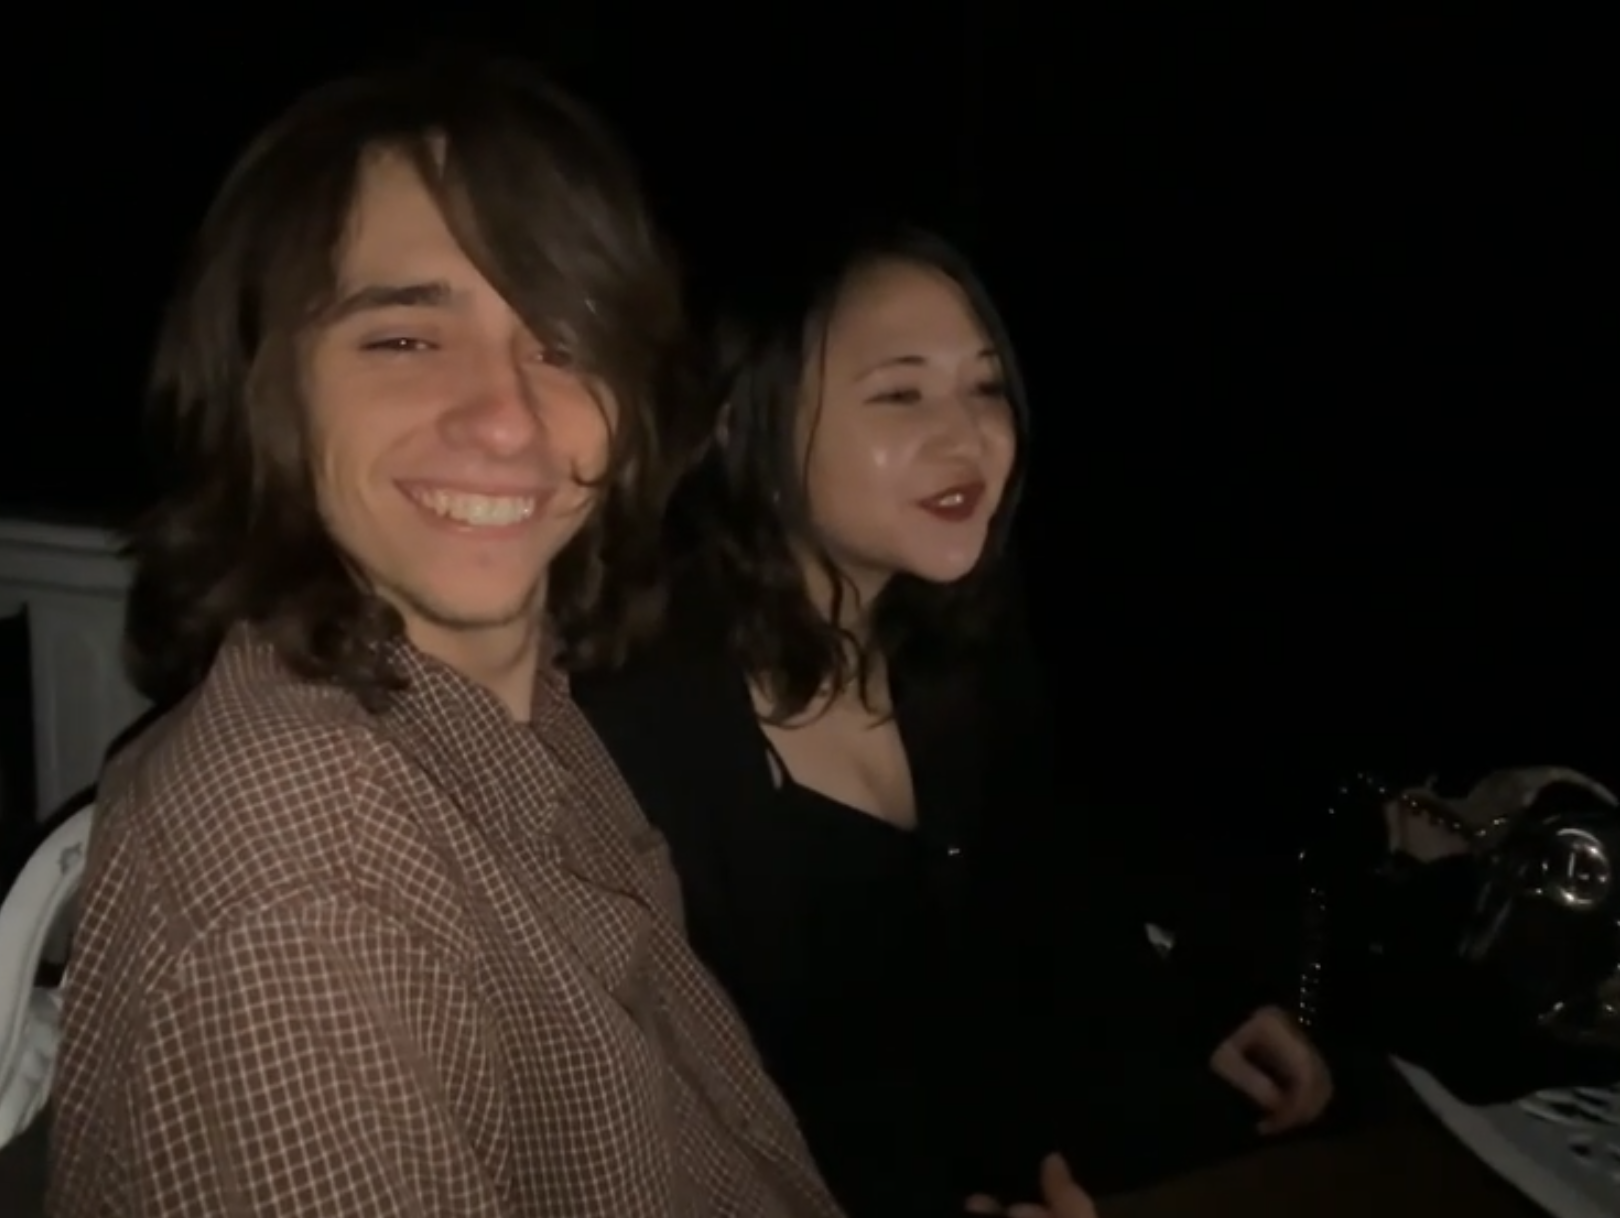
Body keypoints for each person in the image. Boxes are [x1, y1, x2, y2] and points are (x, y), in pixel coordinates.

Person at [47, 54, 856, 1218]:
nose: (506, 418)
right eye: (405, 340)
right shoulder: (309, 886)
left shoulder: (518, 717)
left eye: (563, 342)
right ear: (269, 389)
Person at [572, 225, 1332, 1214]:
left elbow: (1041, 872)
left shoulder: (952, 620)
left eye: (985, 385)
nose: (972, 436)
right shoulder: (639, 715)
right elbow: (669, 1114)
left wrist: (1198, 1010)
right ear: (737, 420)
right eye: (901, 394)